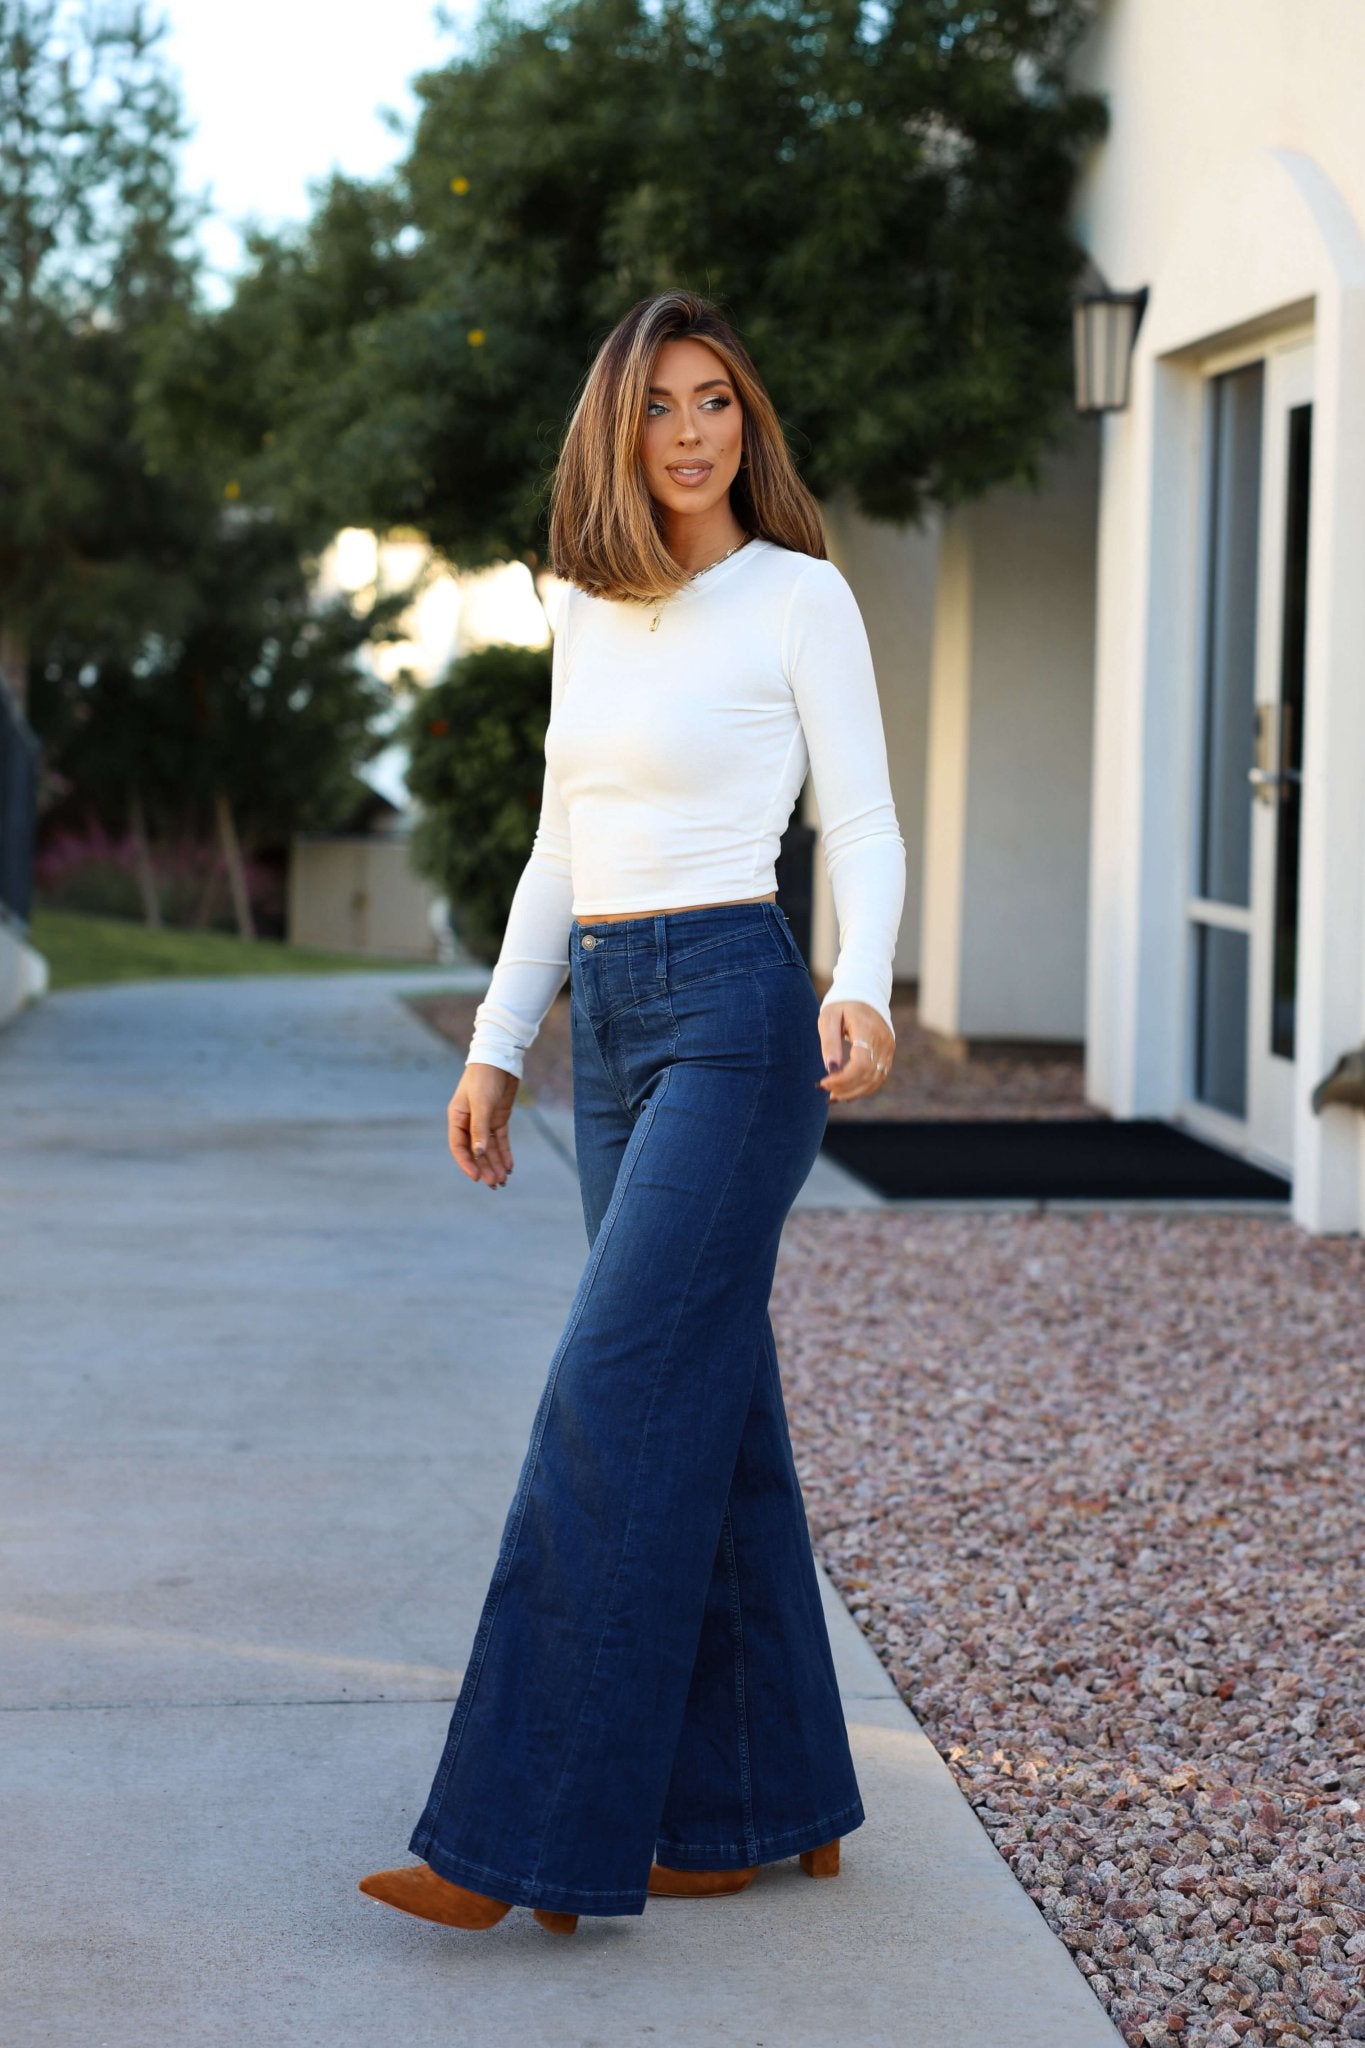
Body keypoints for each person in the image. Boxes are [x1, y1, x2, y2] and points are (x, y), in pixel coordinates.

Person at [359, 289, 906, 1937]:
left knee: (607, 1402)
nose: (689, 432)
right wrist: (496, 1040)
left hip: (742, 1021)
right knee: (706, 1406)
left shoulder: (799, 597)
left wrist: (862, 979)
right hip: (609, 1014)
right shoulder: (588, 609)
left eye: (716, 400)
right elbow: (554, 841)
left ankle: (517, 1840)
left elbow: (862, 824)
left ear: (749, 420)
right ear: (617, 427)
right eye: (659, 404)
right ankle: (763, 1800)